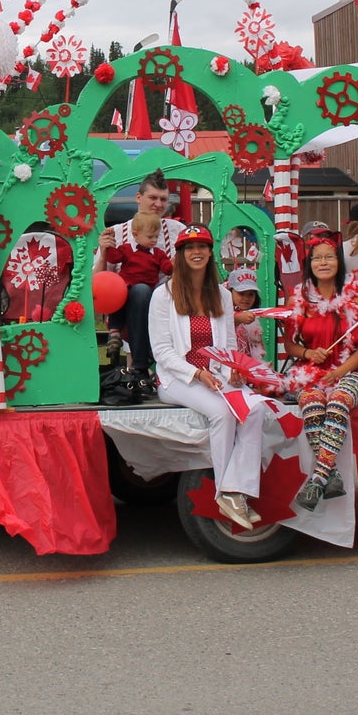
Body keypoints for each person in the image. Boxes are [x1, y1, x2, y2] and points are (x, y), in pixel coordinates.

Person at [148, 224, 267, 530]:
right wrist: (197, 373)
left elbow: (227, 345)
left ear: (211, 253)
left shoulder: (222, 296)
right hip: (178, 379)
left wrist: (233, 370)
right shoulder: (164, 295)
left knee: (254, 410)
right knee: (221, 414)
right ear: (180, 254)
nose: (196, 252)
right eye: (189, 247)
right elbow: (162, 351)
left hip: (214, 374)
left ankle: (234, 490)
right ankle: (223, 491)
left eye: (202, 246)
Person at [281, 230, 358, 511]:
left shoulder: (357, 297)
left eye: (329, 257)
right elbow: (289, 344)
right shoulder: (298, 300)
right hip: (311, 370)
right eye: (317, 258)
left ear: (338, 262)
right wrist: (308, 353)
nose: (323, 262)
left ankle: (317, 479)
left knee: (338, 400)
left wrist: (339, 371)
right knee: (311, 403)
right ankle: (330, 477)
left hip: (351, 371)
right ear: (310, 264)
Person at [94, 169, 185, 379]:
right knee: (142, 292)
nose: (158, 204)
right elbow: (98, 282)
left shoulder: (177, 230)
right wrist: (104, 254)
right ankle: (139, 368)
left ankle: (147, 371)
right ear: (139, 198)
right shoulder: (118, 232)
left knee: (154, 294)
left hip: (169, 303)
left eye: (163, 199)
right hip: (129, 302)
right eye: (152, 197)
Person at [101, 211, 173, 292]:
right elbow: (113, 258)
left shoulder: (159, 254)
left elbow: (167, 269)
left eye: (156, 236)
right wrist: (110, 245)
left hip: (148, 290)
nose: (154, 240)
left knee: (143, 289)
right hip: (127, 288)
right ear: (135, 235)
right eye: (150, 237)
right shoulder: (126, 249)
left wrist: (174, 264)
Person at [224, 267, 266, 362]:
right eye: (241, 293)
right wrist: (237, 319)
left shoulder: (253, 318)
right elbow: (222, 324)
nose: (246, 298)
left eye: (251, 294)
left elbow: (259, 349)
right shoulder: (222, 312)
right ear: (229, 291)